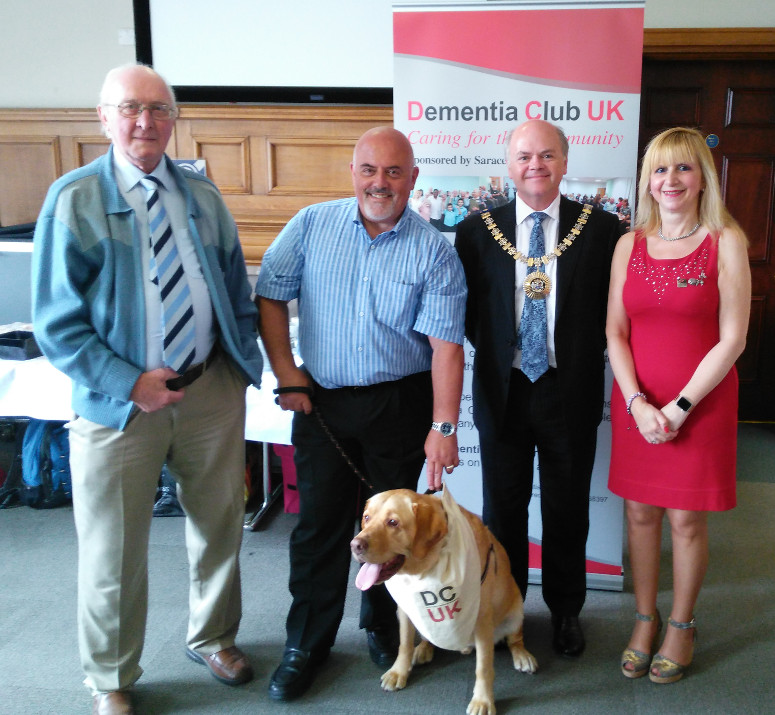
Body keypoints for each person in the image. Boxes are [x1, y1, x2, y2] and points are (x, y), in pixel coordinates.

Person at [31, 64, 263, 715]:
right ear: (104, 117)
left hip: (208, 392)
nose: (145, 122)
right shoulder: (73, 199)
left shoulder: (201, 195)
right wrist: (129, 382)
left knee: (220, 526)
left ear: (173, 118)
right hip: (117, 405)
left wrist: (239, 369)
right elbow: (56, 322)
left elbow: (233, 287)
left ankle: (213, 636)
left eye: (159, 109)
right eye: (130, 108)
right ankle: (110, 674)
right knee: (113, 547)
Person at [255, 126, 467, 701]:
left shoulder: (433, 250)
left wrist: (443, 426)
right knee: (320, 525)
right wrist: (286, 374)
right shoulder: (311, 226)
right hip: (321, 400)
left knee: (392, 533)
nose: (381, 183)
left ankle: (381, 628)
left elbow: (447, 346)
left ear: (414, 179)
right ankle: (307, 643)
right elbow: (269, 293)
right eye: (370, 170)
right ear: (353, 173)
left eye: (394, 172)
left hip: (399, 404)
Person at [454, 119, 620, 659]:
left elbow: (608, 312)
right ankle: (507, 611)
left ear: (565, 163)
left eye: (547, 155)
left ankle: (567, 611)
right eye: (524, 156)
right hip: (503, 392)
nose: (536, 166)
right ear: (509, 163)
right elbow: (471, 316)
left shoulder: (600, 231)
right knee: (503, 508)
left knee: (568, 507)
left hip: (567, 391)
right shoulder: (477, 231)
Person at [606, 126, 750, 683]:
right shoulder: (629, 244)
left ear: (701, 179)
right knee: (640, 513)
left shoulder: (726, 240)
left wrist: (680, 407)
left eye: (684, 168)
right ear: (648, 180)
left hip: (702, 402)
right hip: (637, 404)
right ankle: (645, 618)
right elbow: (615, 333)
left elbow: (732, 338)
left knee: (687, 520)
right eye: (661, 169)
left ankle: (681, 625)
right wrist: (640, 403)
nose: (671, 180)